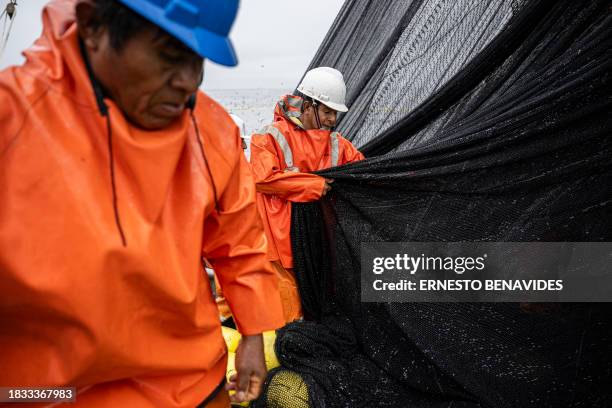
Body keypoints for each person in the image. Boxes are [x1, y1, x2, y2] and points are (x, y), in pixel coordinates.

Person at [0, 0, 284, 406]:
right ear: (94, 25)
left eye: (197, 61)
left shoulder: (212, 130)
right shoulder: (11, 117)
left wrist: (253, 336)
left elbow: (240, 245)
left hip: (191, 386)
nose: (188, 82)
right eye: (169, 55)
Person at [250, 67, 365, 323]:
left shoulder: (338, 144)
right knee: (288, 319)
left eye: (335, 113)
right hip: (280, 248)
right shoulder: (269, 137)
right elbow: (261, 178)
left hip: (318, 244)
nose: (332, 119)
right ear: (307, 105)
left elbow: (364, 170)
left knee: (317, 314)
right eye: (327, 111)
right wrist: (314, 186)